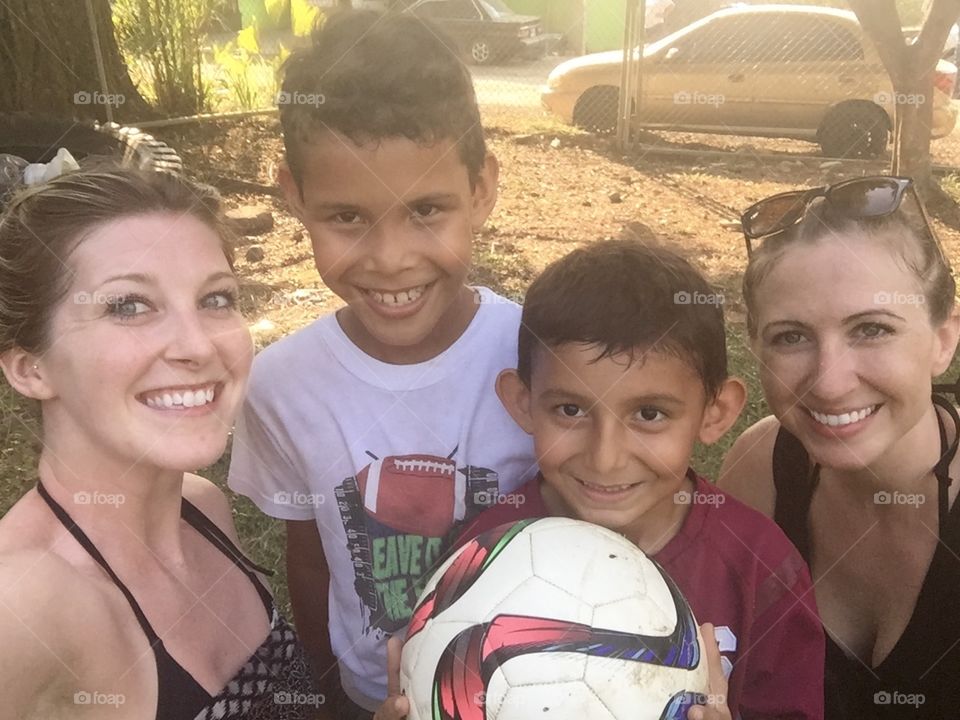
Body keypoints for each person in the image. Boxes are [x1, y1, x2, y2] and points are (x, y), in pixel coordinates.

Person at [226, 10, 537, 719]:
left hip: (531, 696)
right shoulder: (281, 386)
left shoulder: (540, 355)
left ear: (482, 189)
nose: (390, 257)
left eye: (427, 210)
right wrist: (331, 691)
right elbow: (309, 553)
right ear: (294, 195)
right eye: (347, 217)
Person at [377, 239, 825, 720]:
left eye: (650, 414)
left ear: (715, 413)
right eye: (570, 410)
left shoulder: (761, 569)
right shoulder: (485, 554)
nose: (605, 457)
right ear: (523, 402)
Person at [0, 166, 313, 719]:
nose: (197, 345)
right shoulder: (23, 602)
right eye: (128, 306)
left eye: (216, 299)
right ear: (30, 368)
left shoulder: (203, 508)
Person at [718, 176, 960, 719]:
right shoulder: (761, 470)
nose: (829, 383)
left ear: (944, 338)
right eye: (791, 337)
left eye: (871, 329)